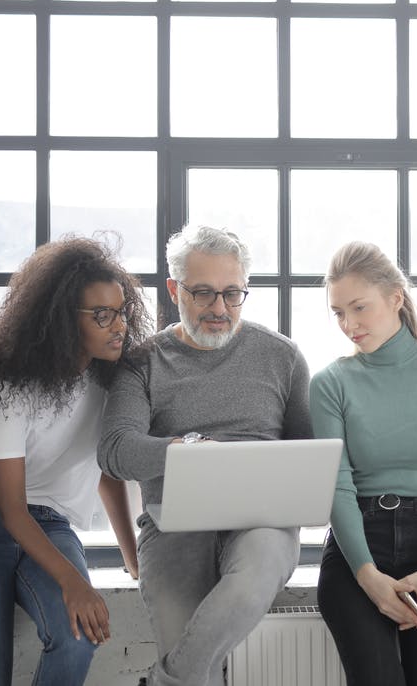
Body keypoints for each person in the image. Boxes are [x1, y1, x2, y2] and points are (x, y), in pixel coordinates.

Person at [98, 224, 312, 686]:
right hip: (174, 524)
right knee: (197, 666)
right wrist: (189, 451)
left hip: (263, 521)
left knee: (254, 574)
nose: (220, 309)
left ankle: (162, 681)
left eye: (232, 294)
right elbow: (115, 452)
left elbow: (311, 454)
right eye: (203, 294)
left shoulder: (282, 356)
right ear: (174, 290)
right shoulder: (144, 362)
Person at [0, 237, 151, 685]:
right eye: (101, 315)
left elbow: (106, 474)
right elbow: (11, 508)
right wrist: (74, 582)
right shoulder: (14, 383)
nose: (119, 327)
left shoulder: (111, 382)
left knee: (78, 638)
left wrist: (134, 559)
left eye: (122, 311)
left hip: (51, 525)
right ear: (62, 321)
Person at [310, 242, 417, 686]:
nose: (349, 324)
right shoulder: (330, 384)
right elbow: (337, 486)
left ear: (395, 298)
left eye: (359, 307)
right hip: (356, 551)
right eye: (338, 312)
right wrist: (370, 580)